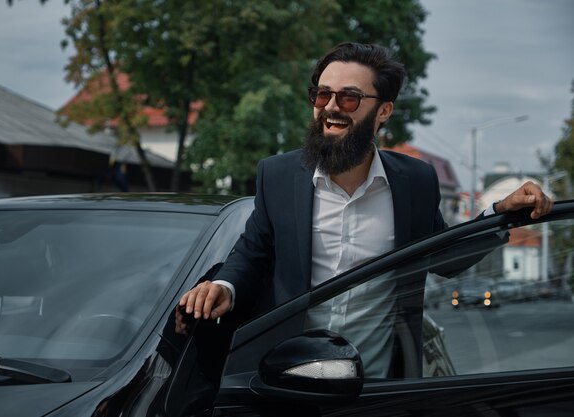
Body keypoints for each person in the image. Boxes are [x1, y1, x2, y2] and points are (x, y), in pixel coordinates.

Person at [179, 42, 553, 376]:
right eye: (321, 95)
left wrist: (501, 212)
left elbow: (444, 255)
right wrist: (224, 287)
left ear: (383, 111)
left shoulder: (415, 181)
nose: (330, 107)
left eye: (348, 98)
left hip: (375, 389)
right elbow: (252, 252)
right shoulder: (277, 175)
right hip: (286, 381)